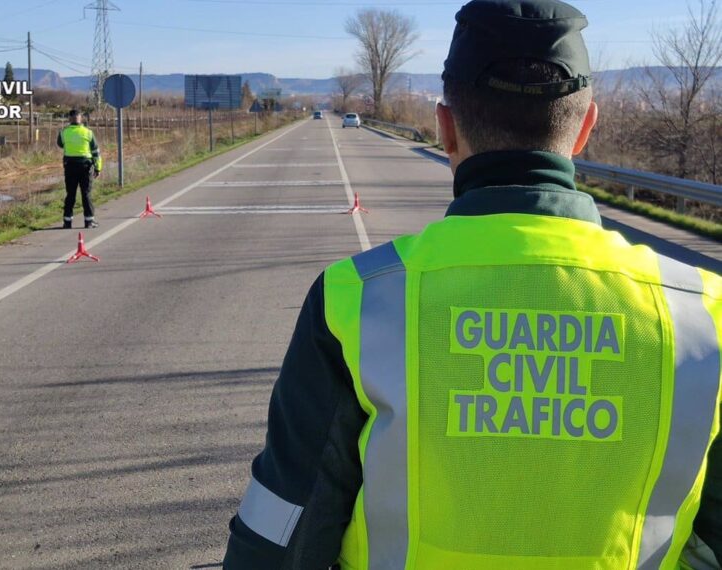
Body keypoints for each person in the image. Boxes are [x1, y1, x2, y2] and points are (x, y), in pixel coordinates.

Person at [223, 1, 722, 569]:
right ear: (586, 128)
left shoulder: (359, 298)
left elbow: (285, 523)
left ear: (445, 127)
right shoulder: (703, 313)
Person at [57, 109, 102, 229]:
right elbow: (96, 151)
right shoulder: (88, 132)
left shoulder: (64, 132)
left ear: (69, 118)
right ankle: (89, 221)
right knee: (86, 194)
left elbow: (60, 144)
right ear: (81, 118)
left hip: (70, 166)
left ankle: (67, 222)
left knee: (70, 194)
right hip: (85, 166)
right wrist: (98, 168)